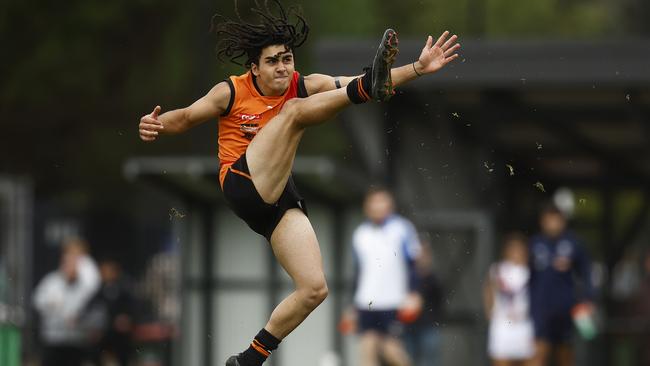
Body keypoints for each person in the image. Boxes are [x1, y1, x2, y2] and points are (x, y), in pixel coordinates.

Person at [138, 1, 460, 364]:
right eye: (273, 60)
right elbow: (185, 118)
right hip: (241, 183)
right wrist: (157, 124)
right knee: (295, 112)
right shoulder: (230, 91)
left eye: (287, 59)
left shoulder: (304, 85)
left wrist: (418, 67)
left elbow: (363, 83)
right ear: (254, 67)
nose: (282, 67)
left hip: (277, 198)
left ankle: (250, 358)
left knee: (313, 288)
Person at [344, 187, 422, 366]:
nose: (378, 206)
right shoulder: (360, 234)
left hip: (393, 300)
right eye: (374, 202)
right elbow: (358, 272)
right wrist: (351, 304)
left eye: (382, 201)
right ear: (367, 206)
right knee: (367, 349)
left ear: (390, 205)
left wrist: (414, 292)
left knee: (391, 350)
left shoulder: (402, 228)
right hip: (366, 302)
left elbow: (413, 264)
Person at [529, 204, 595, 366]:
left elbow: (586, 272)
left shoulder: (573, 243)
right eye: (549, 220)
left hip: (566, 308)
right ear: (542, 222)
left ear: (563, 221)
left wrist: (588, 298)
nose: (553, 224)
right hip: (541, 310)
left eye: (556, 220)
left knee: (565, 354)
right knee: (539, 353)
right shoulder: (534, 244)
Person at [32, 237, 101, 366]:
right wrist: (52, 305)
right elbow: (38, 300)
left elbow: (91, 291)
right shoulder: (52, 280)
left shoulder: (87, 280)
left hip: (77, 338)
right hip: (53, 337)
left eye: (76, 257)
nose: (71, 261)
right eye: (68, 256)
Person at [483, 233, 534, 366]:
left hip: (525, 324)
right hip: (502, 325)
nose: (516, 252)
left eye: (519, 248)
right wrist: (489, 310)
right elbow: (488, 290)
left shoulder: (531, 270)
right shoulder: (498, 269)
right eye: (513, 248)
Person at [402, 237, 443, 366]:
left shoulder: (432, 278)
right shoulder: (407, 276)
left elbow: (439, 301)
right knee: (408, 358)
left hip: (428, 326)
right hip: (409, 326)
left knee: (430, 360)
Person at [87, 259, 136, 366]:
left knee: (123, 354)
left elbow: (132, 307)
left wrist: (126, 318)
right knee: (94, 351)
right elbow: (90, 307)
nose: (106, 274)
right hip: (104, 331)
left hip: (120, 333)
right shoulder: (99, 290)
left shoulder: (125, 289)